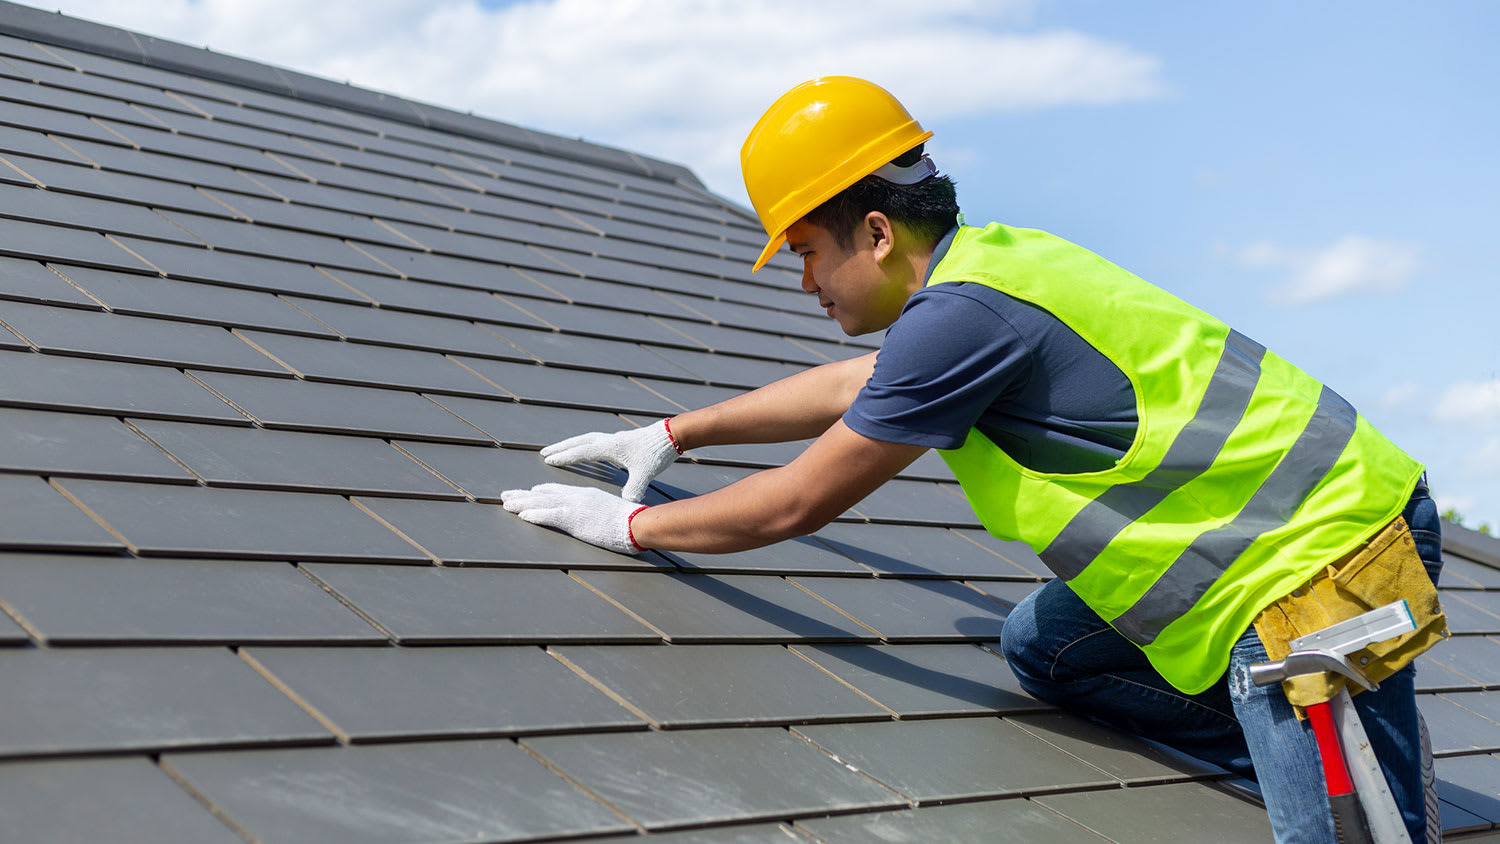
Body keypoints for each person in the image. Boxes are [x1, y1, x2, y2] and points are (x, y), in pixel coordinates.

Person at [500, 76, 1446, 844]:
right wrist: (674, 435)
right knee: (1046, 647)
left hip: (1322, 570)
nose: (804, 282)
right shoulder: (986, 271)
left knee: (1352, 836)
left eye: (808, 251)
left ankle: (1333, 761)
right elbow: (851, 387)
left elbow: (795, 506)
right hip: (1266, 546)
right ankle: (1284, 736)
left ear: (875, 232)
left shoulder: (964, 315)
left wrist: (631, 528)